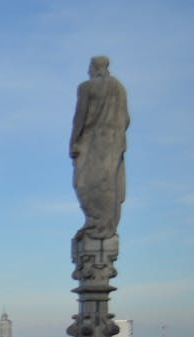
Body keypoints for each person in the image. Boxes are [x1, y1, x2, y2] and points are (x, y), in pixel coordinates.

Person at [70, 56, 128, 240]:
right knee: (107, 181)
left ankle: (97, 222)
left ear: (95, 67)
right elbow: (126, 119)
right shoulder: (119, 88)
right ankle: (103, 223)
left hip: (92, 141)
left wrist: (73, 143)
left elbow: (79, 118)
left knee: (83, 182)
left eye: (90, 68)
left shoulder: (86, 88)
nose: (89, 72)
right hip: (114, 143)